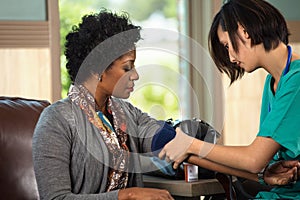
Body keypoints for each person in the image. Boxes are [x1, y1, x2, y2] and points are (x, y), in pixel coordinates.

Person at [158, 0, 300, 199]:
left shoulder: (297, 81)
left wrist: (192, 145)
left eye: (227, 45)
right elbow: (258, 165)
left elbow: (253, 159)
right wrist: (190, 153)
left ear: (243, 31)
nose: (231, 58)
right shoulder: (273, 82)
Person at [32, 9, 174, 199]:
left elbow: (159, 137)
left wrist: (189, 135)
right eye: (127, 67)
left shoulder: (126, 112)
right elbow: (55, 198)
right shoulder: (55, 120)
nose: (135, 75)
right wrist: (127, 195)